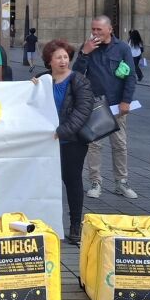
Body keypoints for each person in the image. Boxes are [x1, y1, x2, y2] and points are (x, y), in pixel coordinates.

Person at [35, 39, 94, 244]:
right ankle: (43, 222)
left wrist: (63, 131)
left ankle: (76, 224)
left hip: (71, 142)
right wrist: (30, 87)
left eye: (66, 57)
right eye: (58, 57)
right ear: (49, 61)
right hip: (46, 143)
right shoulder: (42, 79)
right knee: (44, 182)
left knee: (72, 181)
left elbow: (83, 111)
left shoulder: (79, 80)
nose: (63, 61)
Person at [74, 15, 139, 199]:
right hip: (95, 105)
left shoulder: (122, 48)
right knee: (94, 145)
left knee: (120, 144)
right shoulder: (88, 47)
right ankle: (95, 182)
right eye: (93, 29)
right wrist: (85, 53)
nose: (95, 33)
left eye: (99, 29)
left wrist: (126, 101)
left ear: (110, 30)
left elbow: (131, 76)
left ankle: (121, 182)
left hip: (117, 106)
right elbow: (77, 74)